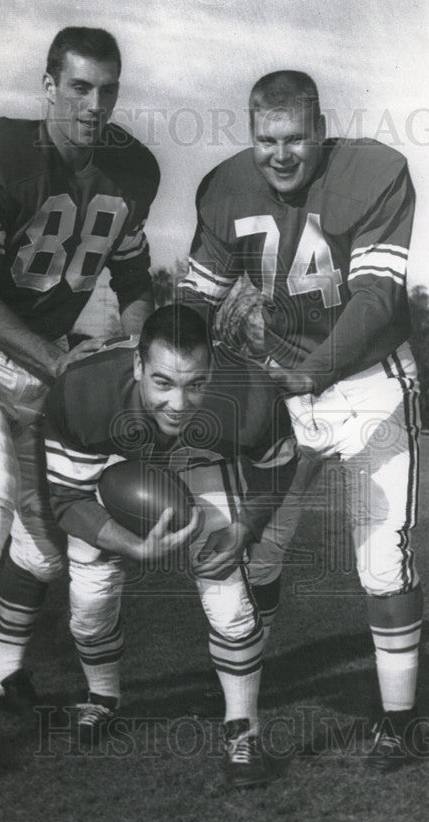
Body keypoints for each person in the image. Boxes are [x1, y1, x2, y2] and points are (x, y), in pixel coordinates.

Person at [0, 27, 160, 772]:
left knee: (46, 548)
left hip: (49, 371)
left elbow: (135, 282)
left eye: (109, 89)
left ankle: (6, 675)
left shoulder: (131, 171)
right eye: (81, 87)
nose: (96, 105)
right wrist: (59, 362)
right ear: (49, 84)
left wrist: (134, 357)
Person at [179, 70, 424, 770]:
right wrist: (171, 377)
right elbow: (194, 301)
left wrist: (311, 373)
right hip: (279, 387)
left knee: (382, 555)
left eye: (294, 139)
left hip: (366, 381)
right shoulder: (226, 187)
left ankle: (397, 722)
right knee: (259, 548)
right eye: (266, 140)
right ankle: (243, 713)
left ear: (320, 131)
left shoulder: (373, 172)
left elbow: (377, 298)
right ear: (251, 134)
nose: (280, 155)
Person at [42, 304, 296, 788]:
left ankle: (243, 732)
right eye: (163, 382)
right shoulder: (84, 389)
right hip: (113, 465)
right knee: (89, 601)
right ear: (137, 366)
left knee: (229, 601)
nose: (179, 402)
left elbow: (279, 463)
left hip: (203, 458)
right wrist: (129, 545)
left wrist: (244, 526)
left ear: (214, 370)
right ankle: (102, 699)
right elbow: (67, 498)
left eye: (196, 383)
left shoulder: (249, 391)